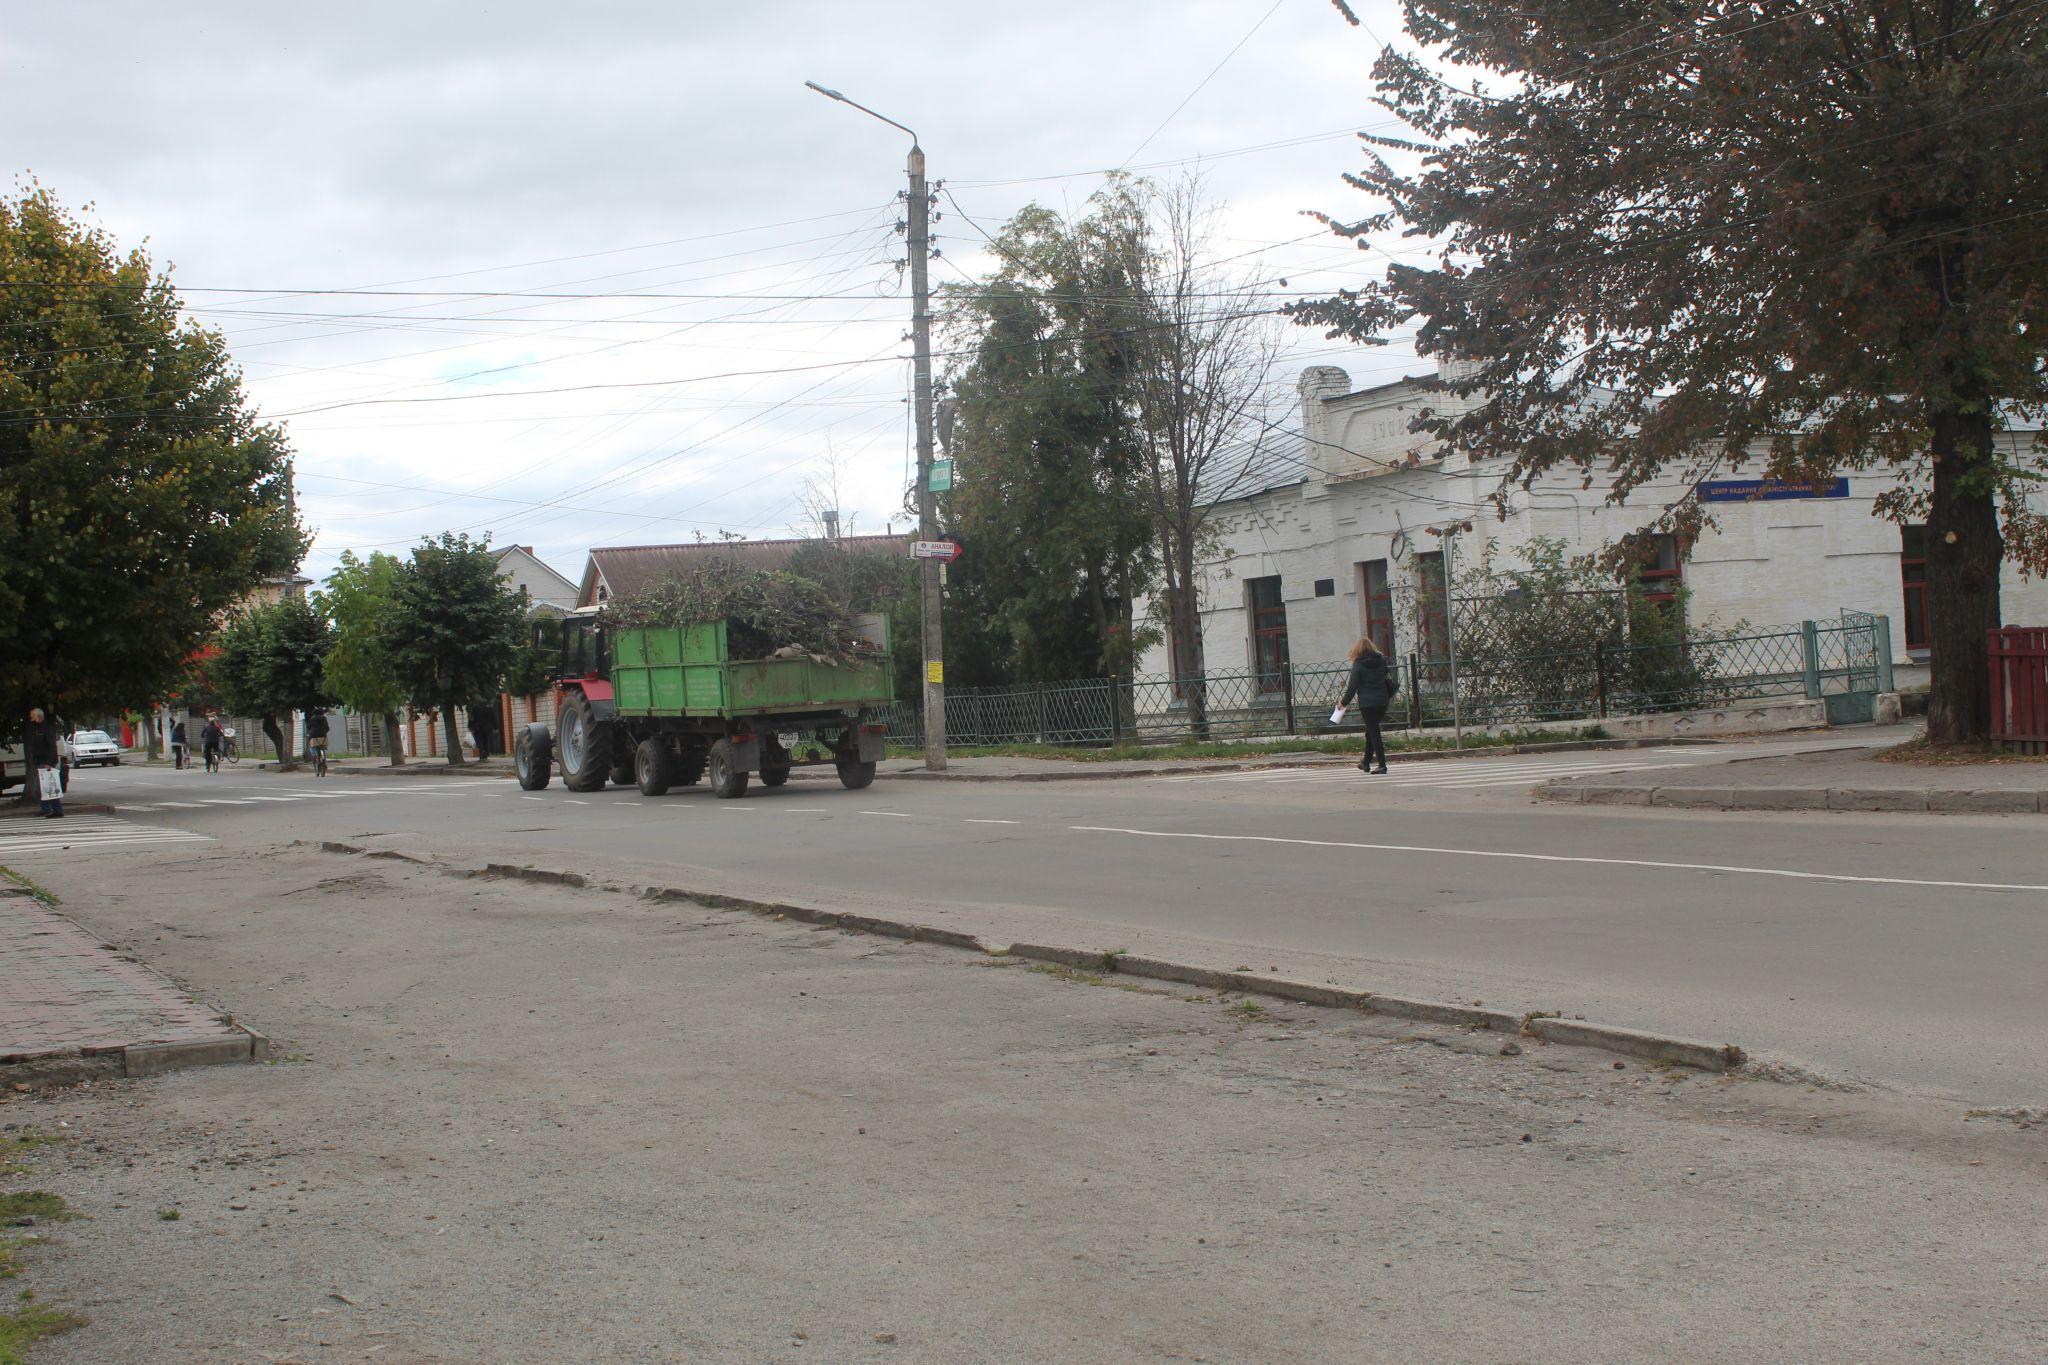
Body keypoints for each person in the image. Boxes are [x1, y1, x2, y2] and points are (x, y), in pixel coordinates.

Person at [1339, 635, 1398, 775]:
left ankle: (1382, 765)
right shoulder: (1381, 661)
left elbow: (1352, 687)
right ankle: (1365, 762)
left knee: (1374, 732)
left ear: (1357, 650)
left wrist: (1342, 703)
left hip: (1367, 703)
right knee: (1370, 731)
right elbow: (1386, 677)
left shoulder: (1358, 665)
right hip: (1382, 701)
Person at [25, 706, 63, 818]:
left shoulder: (47, 728)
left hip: (47, 762)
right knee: (45, 787)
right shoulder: (35, 728)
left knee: (45, 787)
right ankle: (51, 809)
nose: (31, 717)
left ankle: (53, 809)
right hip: (40, 761)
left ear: (38, 716)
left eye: (32, 715)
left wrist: (49, 762)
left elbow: (52, 746)